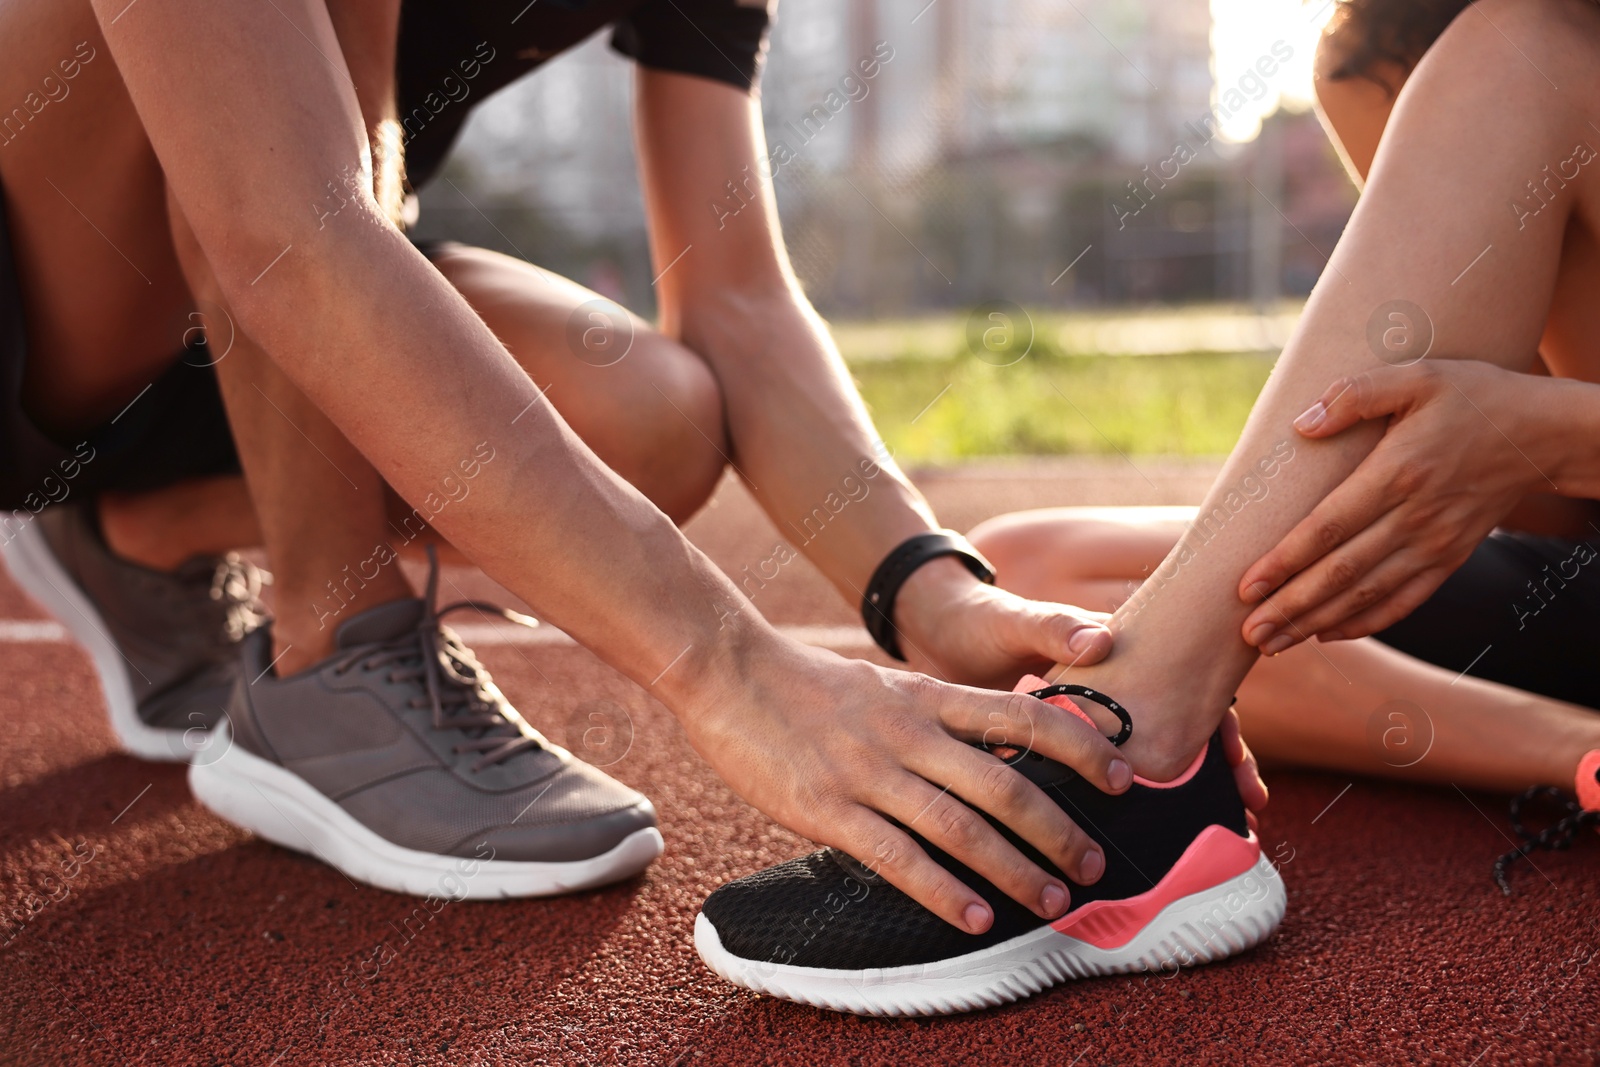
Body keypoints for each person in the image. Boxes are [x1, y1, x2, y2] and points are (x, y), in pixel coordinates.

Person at [0, 0, 1214, 932]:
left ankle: (130, 529)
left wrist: (927, 589)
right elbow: (281, 223)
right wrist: (737, 672)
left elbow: (736, 300)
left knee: (652, 413)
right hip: (88, 291)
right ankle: (333, 652)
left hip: (263, 285)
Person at [692, 0, 1600, 1015]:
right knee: (1033, 584)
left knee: (1517, 48)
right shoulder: (1379, 51)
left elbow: (1536, 440)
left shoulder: (1525, 49)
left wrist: (1559, 429)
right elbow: (1534, 511)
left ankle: (1147, 728)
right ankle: (1573, 749)